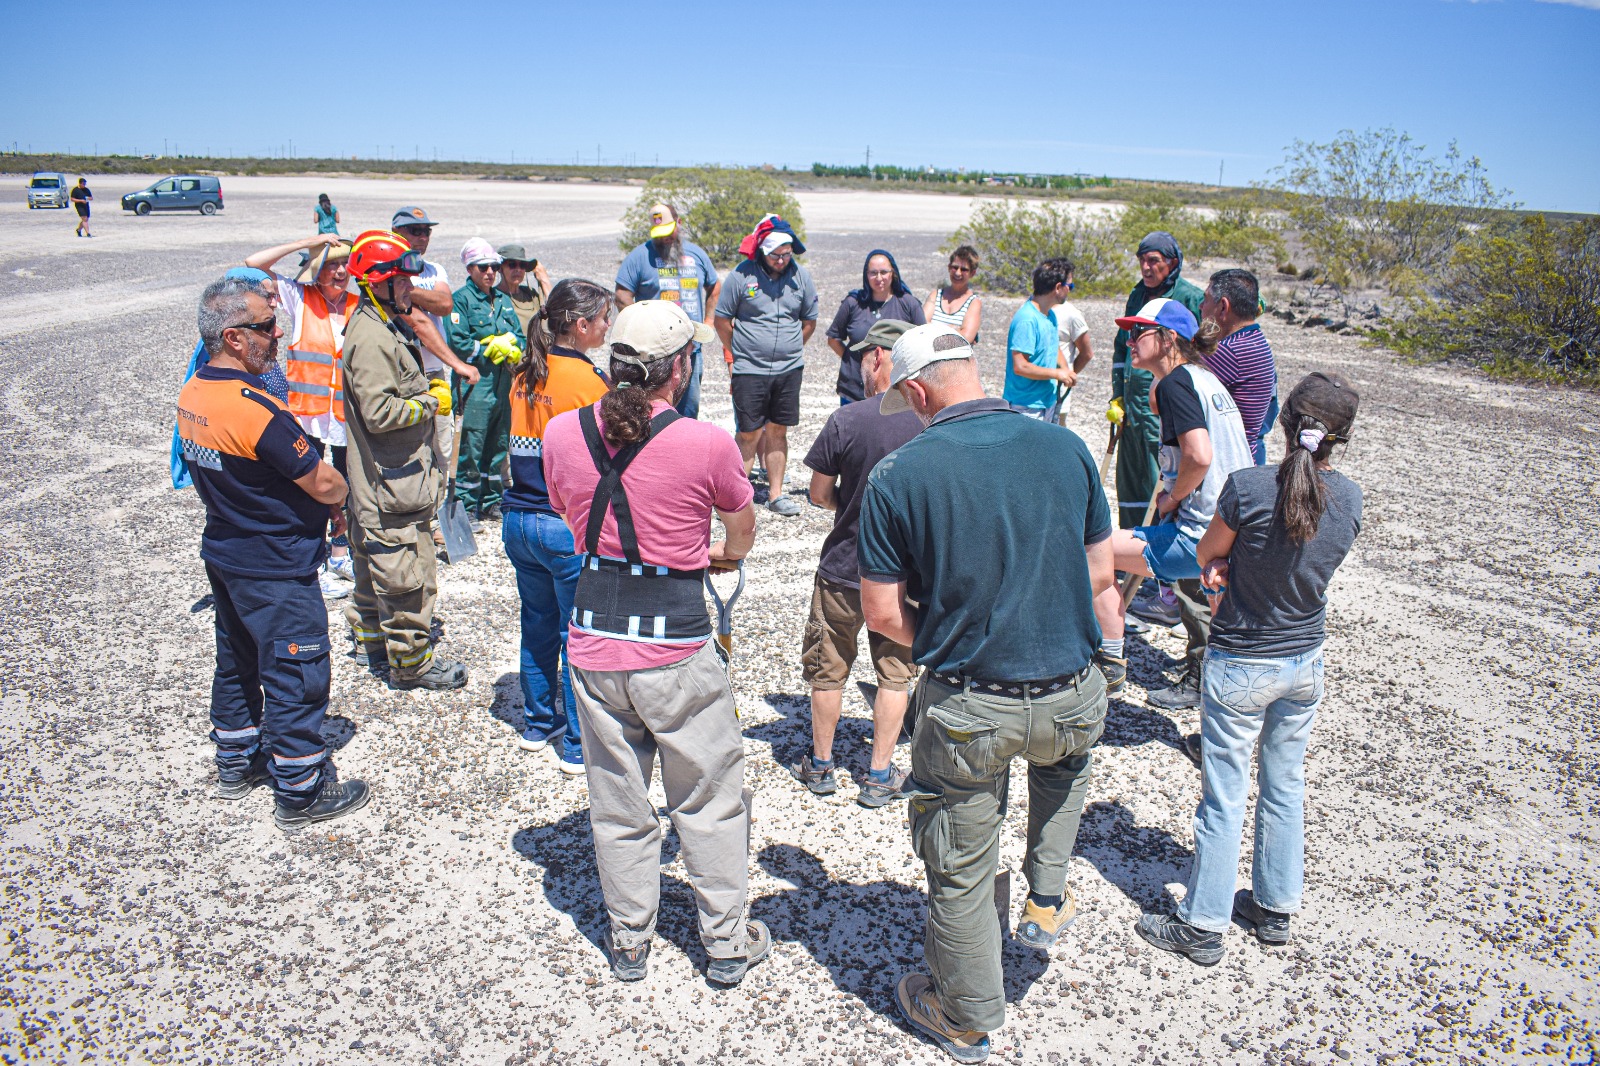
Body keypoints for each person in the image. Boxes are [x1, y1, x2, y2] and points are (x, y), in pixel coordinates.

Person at [857, 323, 1115, 1063]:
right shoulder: (1066, 447)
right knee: (1063, 771)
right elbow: (1101, 574)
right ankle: (1046, 896)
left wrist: (954, 637)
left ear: (916, 391)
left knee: (961, 864)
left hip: (972, 701)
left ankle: (965, 1017)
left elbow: (882, 614)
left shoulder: (898, 476)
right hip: (1072, 689)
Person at [542, 300, 764, 986]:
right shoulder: (706, 443)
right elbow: (741, 528)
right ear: (679, 368)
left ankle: (630, 938)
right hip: (675, 644)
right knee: (708, 798)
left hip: (593, 640)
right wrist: (715, 557)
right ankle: (724, 942)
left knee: (617, 801)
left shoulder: (561, 433)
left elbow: (566, 510)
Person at [1135, 372, 1362, 966]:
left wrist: (1222, 572)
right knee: (1285, 786)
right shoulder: (1351, 500)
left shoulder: (1248, 487)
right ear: (1342, 438)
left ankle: (1203, 923)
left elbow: (1208, 553)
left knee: (1225, 796)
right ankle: (1274, 907)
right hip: (1303, 659)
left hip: (1241, 657)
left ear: (1283, 423)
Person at [180, 277, 369, 829]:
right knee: (296, 669)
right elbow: (323, 481)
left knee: (237, 661)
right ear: (234, 338)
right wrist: (339, 497)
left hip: (227, 550)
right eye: (266, 326)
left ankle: (236, 761)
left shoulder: (194, 392)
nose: (277, 334)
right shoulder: (252, 408)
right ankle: (300, 790)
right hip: (275, 562)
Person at [1090, 299, 1252, 702]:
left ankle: (1108, 660)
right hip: (1236, 524)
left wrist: (1172, 497)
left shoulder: (1176, 383)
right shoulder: (1204, 378)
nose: (1129, 342)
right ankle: (1209, 687)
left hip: (1202, 531)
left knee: (1091, 551)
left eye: (1137, 332)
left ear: (1168, 338)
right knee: (1212, 610)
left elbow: (1200, 455)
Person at [794, 319, 921, 808]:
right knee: (895, 673)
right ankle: (879, 774)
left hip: (845, 565)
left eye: (864, 358)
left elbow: (818, 493)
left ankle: (822, 765)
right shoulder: (930, 422)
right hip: (905, 573)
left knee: (828, 669)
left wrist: (849, 506)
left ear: (878, 358)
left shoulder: (847, 419)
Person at [340, 229, 468, 691]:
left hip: (387, 480)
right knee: (407, 576)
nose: (409, 289)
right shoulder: (373, 338)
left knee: (372, 566)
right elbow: (379, 413)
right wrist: (430, 402)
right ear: (376, 283)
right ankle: (412, 664)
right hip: (391, 485)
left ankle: (372, 644)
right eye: (401, 281)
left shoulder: (380, 324)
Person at [503, 279, 612, 775]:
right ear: (582, 325)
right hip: (561, 524)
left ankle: (536, 722)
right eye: (604, 318)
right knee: (577, 634)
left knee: (537, 624)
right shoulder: (590, 382)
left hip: (517, 520)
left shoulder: (525, 371)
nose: (608, 327)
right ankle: (574, 744)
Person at [242, 234, 361, 598]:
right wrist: (311, 241)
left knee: (345, 484)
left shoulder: (358, 304)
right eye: (330, 265)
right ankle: (314, 561)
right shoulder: (300, 298)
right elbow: (254, 264)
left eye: (344, 264)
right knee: (307, 486)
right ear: (316, 271)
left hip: (345, 415)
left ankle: (340, 552)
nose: (340, 272)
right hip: (306, 416)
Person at [713, 215, 818, 516]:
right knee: (748, 433)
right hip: (749, 371)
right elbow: (722, 320)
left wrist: (791, 348)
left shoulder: (801, 277)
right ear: (763, 251)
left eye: (786, 254)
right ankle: (735, 499)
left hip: (788, 370)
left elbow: (809, 321)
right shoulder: (740, 276)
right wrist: (741, 351)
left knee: (777, 430)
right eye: (776, 255)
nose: (782, 260)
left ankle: (776, 494)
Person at [391, 205, 483, 545]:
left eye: (426, 231)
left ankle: (436, 520)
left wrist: (404, 288)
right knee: (408, 450)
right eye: (414, 231)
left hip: (434, 373)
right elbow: (419, 322)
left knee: (443, 449)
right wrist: (457, 363)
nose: (422, 237)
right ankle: (411, 520)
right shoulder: (386, 271)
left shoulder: (433, 269)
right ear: (397, 234)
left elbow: (444, 305)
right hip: (404, 376)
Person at [1111, 232, 1204, 529]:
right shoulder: (1137, 295)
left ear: (1172, 263)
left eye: (1153, 261)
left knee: (1160, 473)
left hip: (1162, 404)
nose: (1146, 268)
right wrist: (1118, 396)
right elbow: (1121, 347)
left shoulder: (1190, 297)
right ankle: (1131, 537)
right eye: (1142, 260)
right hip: (1131, 406)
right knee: (1129, 475)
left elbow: (1202, 349)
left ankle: (1158, 539)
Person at [172, 268, 293, 491]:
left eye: (274, 295)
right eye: (267, 295)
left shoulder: (257, 345)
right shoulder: (236, 353)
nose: (274, 302)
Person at [446, 239, 528, 525]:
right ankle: (466, 504)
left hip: (502, 385)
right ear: (470, 268)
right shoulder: (460, 300)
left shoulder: (503, 300)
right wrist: (487, 348)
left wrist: (513, 346)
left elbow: (519, 336)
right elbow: (458, 343)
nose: (490, 272)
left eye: (494, 266)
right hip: (475, 386)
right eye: (483, 267)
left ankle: (491, 500)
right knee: (472, 444)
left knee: (498, 442)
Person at [615, 202, 721, 419]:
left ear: (678, 223)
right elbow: (622, 295)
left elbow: (714, 286)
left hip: (691, 350)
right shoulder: (639, 256)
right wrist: (639, 327)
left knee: (687, 412)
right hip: (654, 355)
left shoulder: (697, 254)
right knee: (651, 410)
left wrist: (709, 321)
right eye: (659, 233)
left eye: (668, 231)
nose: (664, 238)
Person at [825, 250, 926, 405]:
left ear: (893, 273)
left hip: (896, 391)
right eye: (873, 273)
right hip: (854, 389)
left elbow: (923, 342)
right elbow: (833, 338)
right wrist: (853, 359)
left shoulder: (908, 303)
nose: (879, 278)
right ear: (866, 275)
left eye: (884, 272)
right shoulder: (853, 303)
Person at [1200, 269, 1278, 466]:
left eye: (1206, 300)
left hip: (1230, 466)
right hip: (1246, 460)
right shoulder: (1253, 340)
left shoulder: (1230, 352)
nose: (1201, 306)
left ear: (1223, 306)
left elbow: (1169, 386)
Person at [1002, 258, 1079, 422]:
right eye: (1070, 286)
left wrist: (1065, 369)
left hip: (1048, 402)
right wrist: (1057, 373)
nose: (1070, 291)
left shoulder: (1050, 315)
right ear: (1058, 288)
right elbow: (1020, 366)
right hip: (1025, 406)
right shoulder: (1027, 320)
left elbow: (1053, 347)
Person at [1053, 277, 1094, 421]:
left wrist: (1068, 374)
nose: (1069, 290)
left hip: (1058, 395)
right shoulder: (1032, 308)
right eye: (1069, 285)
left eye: (1072, 286)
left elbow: (1087, 353)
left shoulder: (1072, 314)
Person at [923, 245, 982, 344]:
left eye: (964, 269)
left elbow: (966, 337)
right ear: (949, 268)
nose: (958, 273)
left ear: (972, 273)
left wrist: (933, 327)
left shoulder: (974, 303)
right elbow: (921, 325)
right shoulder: (935, 295)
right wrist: (954, 329)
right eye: (955, 267)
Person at [497, 241, 553, 340]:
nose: (518, 269)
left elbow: (557, 313)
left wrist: (544, 280)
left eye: (522, 265)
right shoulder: (493, 296)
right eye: (512, 265)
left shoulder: (531, 295)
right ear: (500, 268)